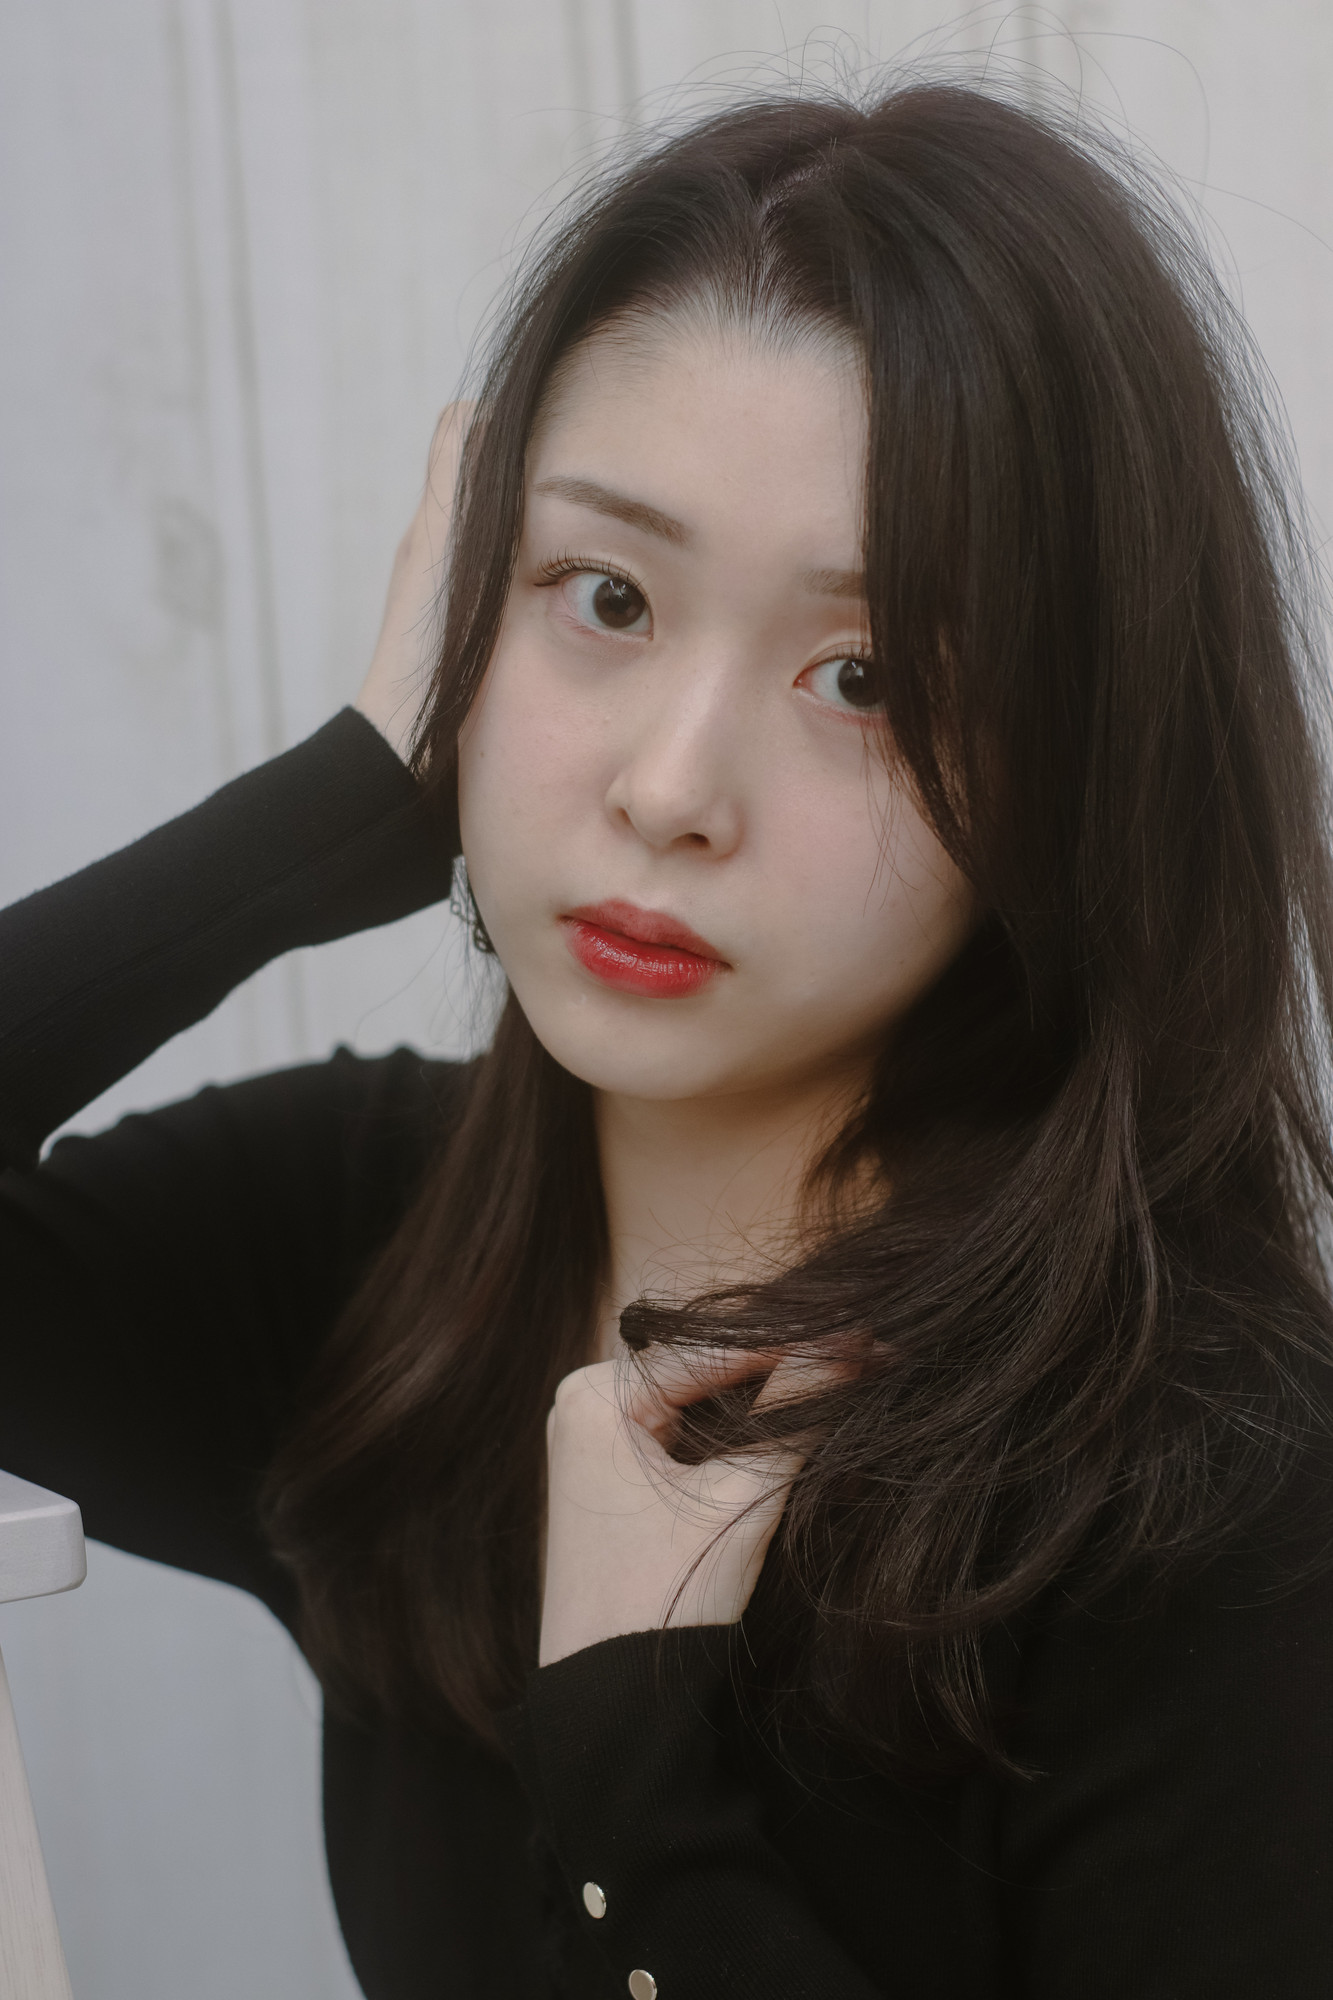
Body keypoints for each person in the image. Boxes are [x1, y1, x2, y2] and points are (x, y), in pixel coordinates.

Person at [4, 73, 1333, 2000]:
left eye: (862, 675)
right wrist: (341, 802)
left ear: (1072, 760)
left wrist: (638, 1746)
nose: (669, 788)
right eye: (605, 596)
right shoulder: (367, 1251)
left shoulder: (1212, 1487)